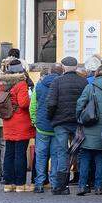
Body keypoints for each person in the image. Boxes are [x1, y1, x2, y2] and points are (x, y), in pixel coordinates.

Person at [46, 57, 88, 195]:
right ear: (76, 67)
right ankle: (83, 182)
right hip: (78, 122)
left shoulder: (57, 82)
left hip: (60, 122)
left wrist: (51, 117)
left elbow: (51, 103)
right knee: (80, 151)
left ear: (63, 68)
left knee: (62, 152)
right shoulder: (83, 82)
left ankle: (61, 186)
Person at [76, 63, 102, 196]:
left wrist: (79, 118)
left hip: (89, 126)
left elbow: (80, 103)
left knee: (85, 157)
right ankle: (98, 187)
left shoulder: (90, 86)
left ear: (96, 73)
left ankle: (82, 185)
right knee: (101, 157)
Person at [0, 60, 35, 193]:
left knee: (9, 153)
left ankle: (8, 184)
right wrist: (31, 99)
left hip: (8, 122)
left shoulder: (3, 83)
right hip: (21, 123)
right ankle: (20, 184)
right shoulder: (21, 84)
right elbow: (24, 103)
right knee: (20, 154)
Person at [30, 64, 60, 192]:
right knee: (55, 156)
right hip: (57, 126)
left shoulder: (40, 85)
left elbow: (33, 105)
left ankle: (39, 184)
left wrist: (34, 121)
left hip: (42, 126)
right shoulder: (61, 86)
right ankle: (54, 183)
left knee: (41, 156)